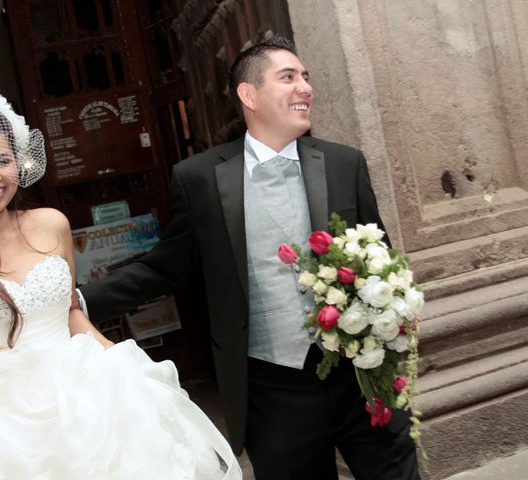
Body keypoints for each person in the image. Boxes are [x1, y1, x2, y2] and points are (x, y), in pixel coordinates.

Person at [81, 36, 420, 479]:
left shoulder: (343, 163)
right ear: (248, 94)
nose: (304, 87)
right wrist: (76, 301)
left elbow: (381, 256)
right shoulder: (199, 178)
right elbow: (168, 265)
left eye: (306, 77)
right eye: (288, 77)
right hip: (273, 392)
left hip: (361, 379)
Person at [0, 91, 241, 479]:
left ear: (18, 165)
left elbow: (70, 309)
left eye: (3, 161)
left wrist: (110, 353)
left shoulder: (52, 223)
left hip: (80, 399)